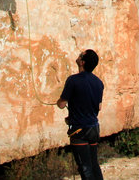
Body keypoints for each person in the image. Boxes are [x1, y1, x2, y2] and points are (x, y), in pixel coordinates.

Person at [57, 49, 104, 180]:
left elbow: (62, 104)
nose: (78, 55)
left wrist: (59, 102)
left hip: (79, 130)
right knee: (94, 165)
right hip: (94, 128)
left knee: (85, 168)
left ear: (82, 62)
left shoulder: (73, 80)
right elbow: (99, 107)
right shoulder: (99, 83)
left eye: (80, 55)